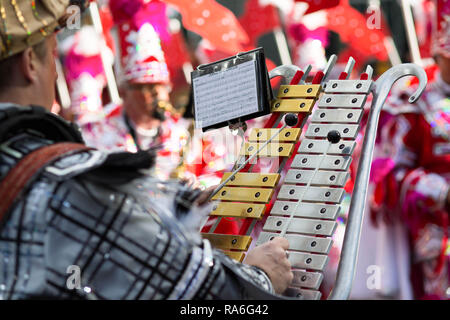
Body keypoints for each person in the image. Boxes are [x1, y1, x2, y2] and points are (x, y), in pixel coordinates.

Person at [0, 0, 293, 300]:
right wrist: (261, 278)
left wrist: (197, 200)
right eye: (51, 54)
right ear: (30, 63)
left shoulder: (184, 131)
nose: (155, 95)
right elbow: (203, 293)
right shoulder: (72, 171)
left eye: (158, 86)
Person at [364, 0, 449, 299]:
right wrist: (441, 192)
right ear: (439, 53)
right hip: (433, 233)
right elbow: (383, 175)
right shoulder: (410, 101)